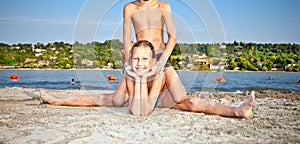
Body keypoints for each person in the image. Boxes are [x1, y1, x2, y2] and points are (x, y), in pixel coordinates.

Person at [41, 40, 255, 119]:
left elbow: (154, 107)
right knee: (94, 98)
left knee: (193, 103)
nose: (140, 63)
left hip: (160, 98)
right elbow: (136, 111)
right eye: (136, 59)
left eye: (145, 59)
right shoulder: (131, 73)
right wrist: (135, 77)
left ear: (153, 61)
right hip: (128, 98)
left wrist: (160, 74)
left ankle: (238, 110)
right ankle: (57, 100)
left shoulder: (160, 71)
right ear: (130, 60)